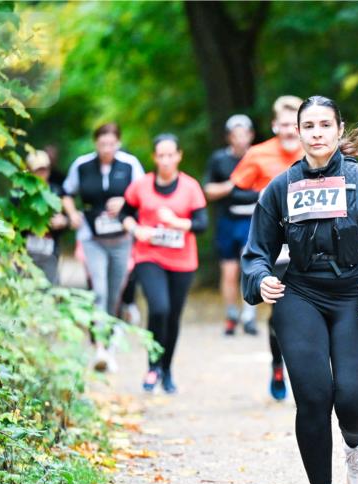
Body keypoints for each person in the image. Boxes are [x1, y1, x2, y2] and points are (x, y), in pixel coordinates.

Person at [242, 96, 358, 484]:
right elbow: (256, 253)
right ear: (297, 132)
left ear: (337, 129)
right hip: (301, 296)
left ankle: (354, 443)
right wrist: (262, 279)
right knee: (313, 395)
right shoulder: (280, 189)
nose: (316, 133)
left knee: (355, 399)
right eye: (307, 126)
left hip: (355, 296)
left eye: (324, 125)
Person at [122, 134, 208, 394]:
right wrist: (136, 230)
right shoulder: (141, 185)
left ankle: (167, 369)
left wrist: (175, 222)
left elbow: (202, 224)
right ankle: (152, 366)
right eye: (161, 156)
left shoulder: (190, 187)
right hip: (149, 256)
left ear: (179, 156)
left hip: (182, 261)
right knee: (159, 309)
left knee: (172, 317)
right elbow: (125, 214)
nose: (167, 160)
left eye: (171, 155)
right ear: (154, 158)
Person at [230, 95, 304, 399]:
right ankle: (278, 364)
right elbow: (236, 192)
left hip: (312, 246)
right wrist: (266, 197)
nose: (289, 131)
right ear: (275, 125)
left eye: (294, 125)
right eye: (283, 125)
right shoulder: (258, 154)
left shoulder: (315, 152)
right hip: (275, 246)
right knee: (281, 313)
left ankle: (307, 372)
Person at [62, 122, 144, 371]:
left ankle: (109, 345)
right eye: (102, 144)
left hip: (121, 239)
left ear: (118, 143)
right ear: (95, 143)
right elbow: (67, 192)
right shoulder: (82, 165)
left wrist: (125, 201)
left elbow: (143, 196)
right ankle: (98, 348)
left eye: (111, 144)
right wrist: (72, 213)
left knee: (114, 291)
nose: (106, 148)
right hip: (92, 238)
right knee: (98, 290)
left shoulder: (130, 165)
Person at [203, 114, 256, 336]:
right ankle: (231, 314)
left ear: (251, 135)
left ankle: (249, 314)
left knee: (250, 266)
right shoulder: (219, 160)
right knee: (229, 270)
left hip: (253, 219)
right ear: (228, 137)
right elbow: (207, 190)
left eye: (244, 134)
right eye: (236, 135)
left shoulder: (258, 157)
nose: (240, 139)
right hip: (227, 221)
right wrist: (232, 185)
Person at [24, 150, 69, 285]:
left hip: (50, 251)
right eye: (38, 170)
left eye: (45, 169)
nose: (42, 174)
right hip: (25, 252)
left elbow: (70, 220)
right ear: (29, 170)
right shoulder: (19, 192)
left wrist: (63, 221)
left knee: (50, 290)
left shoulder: (57, 192)